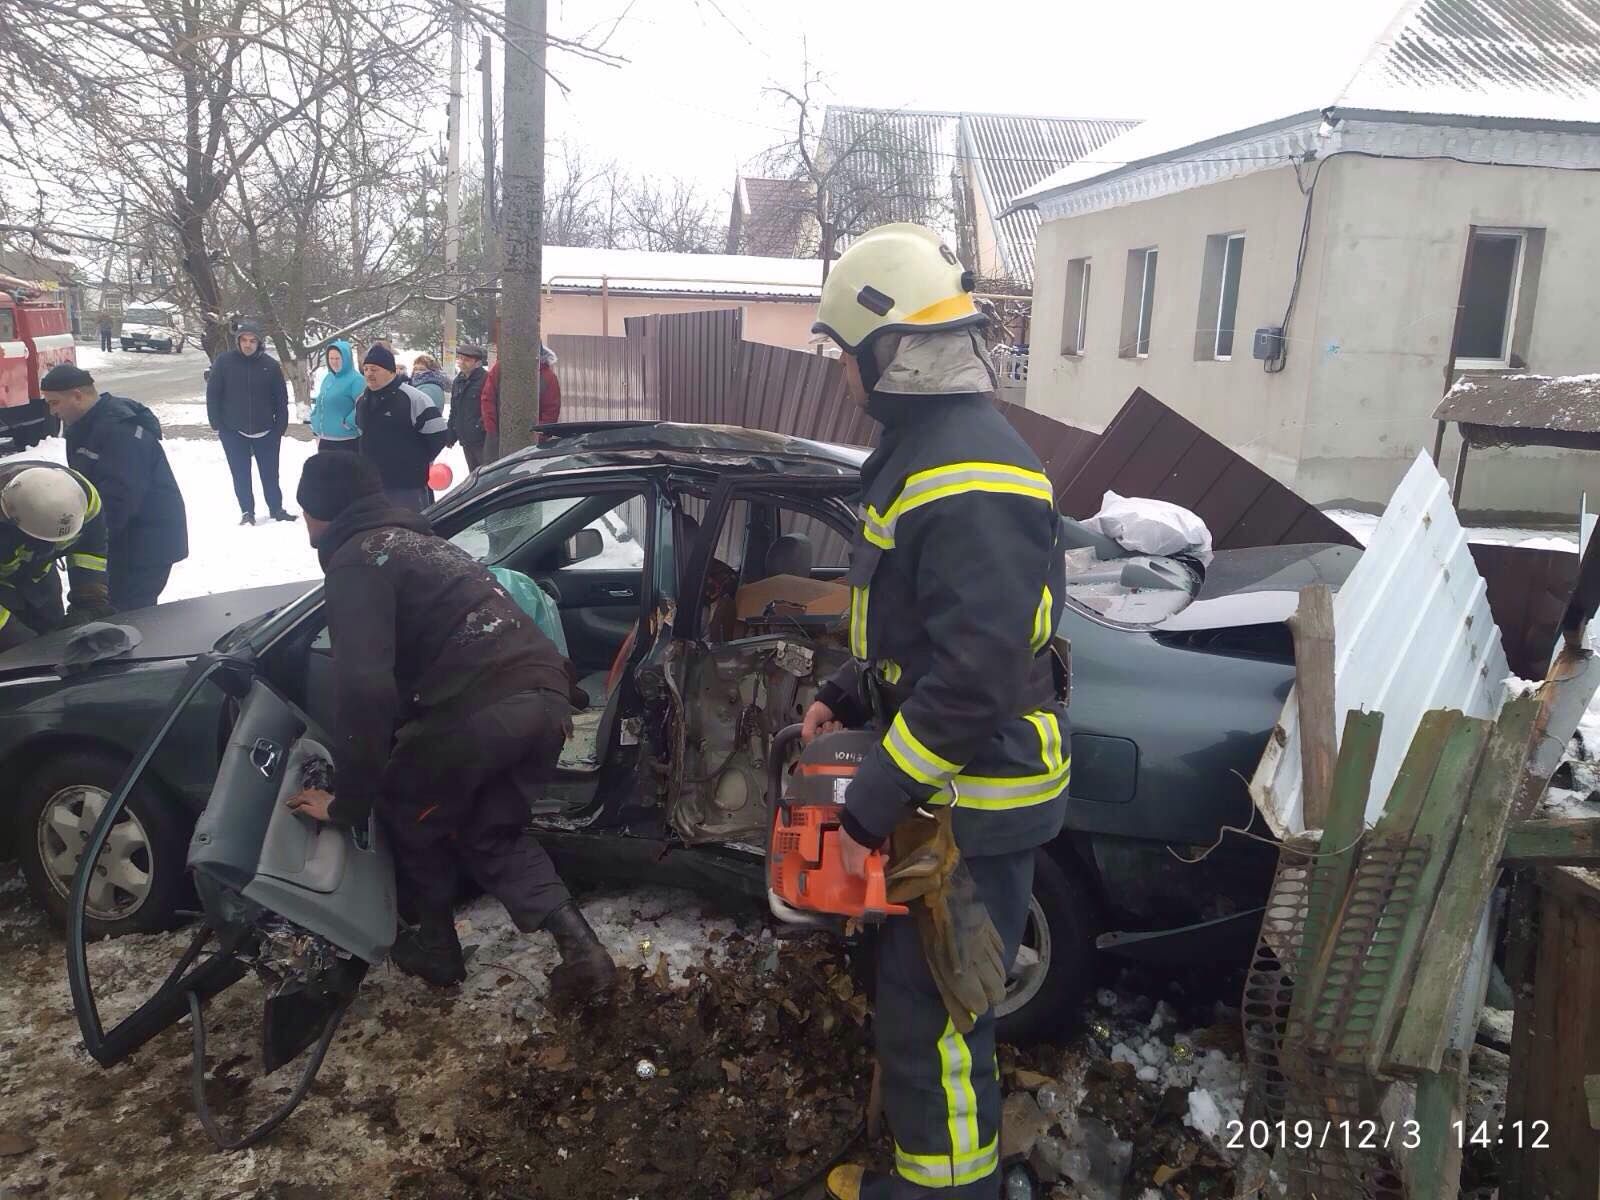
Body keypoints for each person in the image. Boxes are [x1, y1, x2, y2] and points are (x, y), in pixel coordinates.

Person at [804, 224, 1070, 1200]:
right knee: (919, 1003)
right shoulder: (925, 450)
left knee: (943, 1015)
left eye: (843, 353)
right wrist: (843, 691)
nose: (838, 374)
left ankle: (948, 1192)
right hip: (951, 796)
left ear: (890, 349)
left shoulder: (969, 472)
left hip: (976, 799)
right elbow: (913, 632)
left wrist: (870, 799)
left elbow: (972, 681)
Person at [281, 451, 616, 998]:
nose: (304, 523)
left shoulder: (358, 559)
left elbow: (365, 691)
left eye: (304, 511)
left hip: (484, 709)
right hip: (547, 701)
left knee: (404, 805)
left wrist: (346, 803)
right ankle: (584, 953)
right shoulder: (422, 545)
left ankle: (437, 949)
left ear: (322, 510)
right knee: (491, 832)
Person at [41, 363, 188, 611]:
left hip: (144, 544)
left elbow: (119, 498)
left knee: (128, 614)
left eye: (54, 402)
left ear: (77, 395)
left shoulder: (120, 431)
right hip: (125, 541)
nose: (51, 411)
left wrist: (84, 540)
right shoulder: (86, 426)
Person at [0, 462, 114, 652]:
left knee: (53, 634)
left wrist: (89, 601)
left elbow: (89, 550)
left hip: (37, 579)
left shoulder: (82, 500)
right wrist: (18, 642)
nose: (49, 546)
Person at [206, 319, 295, 525]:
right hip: (233, 431)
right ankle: (247, 512)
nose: (248, 344)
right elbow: (213, 394)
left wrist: (279, 428)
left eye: (252, 341)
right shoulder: (224, 362)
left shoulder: (270, 366)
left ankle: (276, 509)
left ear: (259, 343)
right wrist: (218, 425)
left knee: (270, 474)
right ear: (238, 341)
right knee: (241, 474)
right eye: (244, 340)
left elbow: (281, 400)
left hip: (266, 432)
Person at [354, 344, 448, 512]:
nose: (368, 373)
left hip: (407, 488)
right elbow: (361, 433)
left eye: (374, 369)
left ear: (391, 371)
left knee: (408, 534)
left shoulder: (413, 398)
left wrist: (415, 461)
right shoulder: (362, 401)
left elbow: (438, 434)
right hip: (372, 486)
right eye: (366, 369)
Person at [480, 344, 560, 462]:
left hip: (532, 444)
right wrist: (492, 430)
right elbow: (488, 399)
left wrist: (539, 437)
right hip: (498, 438)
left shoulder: (547, 377)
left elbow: (550, 411)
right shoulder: (501, 369)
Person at [310, 339, 363, 452]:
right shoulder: (328, 378)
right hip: (325, 440)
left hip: (346, 441)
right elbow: (321, 401)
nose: (334, 362)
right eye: (331, 358)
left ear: (347, 359)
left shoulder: (356, 380)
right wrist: (314, 418)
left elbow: (362, 406)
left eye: (338, 358)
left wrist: (348, 423)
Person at [447, 344, 490, 470]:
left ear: (477, 362)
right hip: (466, 439)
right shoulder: (458, 381)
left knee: (486, 474)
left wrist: (480, 427)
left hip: (482, 439)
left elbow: (491, 408)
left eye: (466, 360)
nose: (461, 362)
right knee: (473, 476)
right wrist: (451, 433)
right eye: (460, 358)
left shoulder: (485, 379)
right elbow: (454, 410)